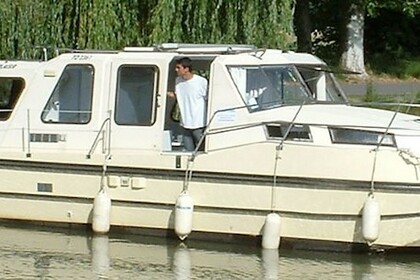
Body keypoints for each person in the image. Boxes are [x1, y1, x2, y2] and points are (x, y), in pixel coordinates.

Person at [168, 57, 208, 151]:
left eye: (178, 67)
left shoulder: (201, 81)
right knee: (188, 150)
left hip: (199, 122)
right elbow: (180, 96)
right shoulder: (178, 81)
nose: (176, 70)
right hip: (184, 122)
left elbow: (208, 98)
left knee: (202, 149)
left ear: (186, 69)